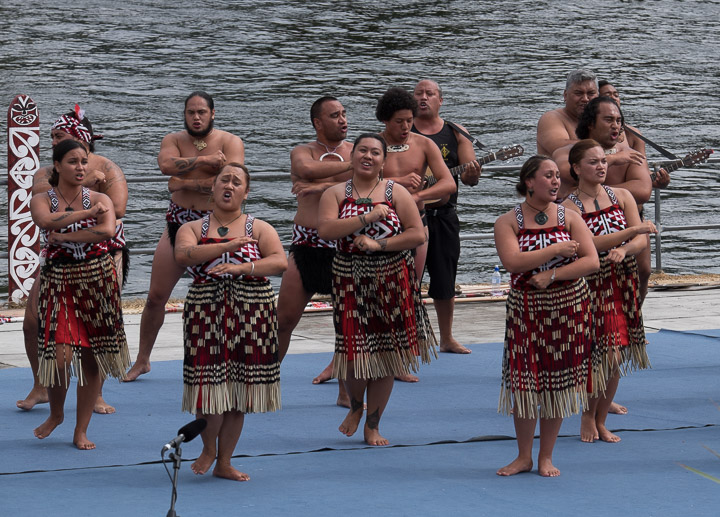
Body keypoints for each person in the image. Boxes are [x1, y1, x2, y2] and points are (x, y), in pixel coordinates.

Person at [317, 133, 437, 446]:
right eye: (362, 151)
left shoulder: (395, 191)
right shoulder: (335, 193)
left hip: (392, 278)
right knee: (354, 352)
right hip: (350, 277)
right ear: (353, 156)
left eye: (375, 152)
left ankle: (373, 424)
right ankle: (356, 407)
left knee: (386, 354)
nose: (368, 156)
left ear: (384, 160)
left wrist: (379, 243)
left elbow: (416, 236)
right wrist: (367, 217)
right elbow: (327, 229)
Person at [174, 163, 287, 481]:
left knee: (239, 392)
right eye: (224, 179)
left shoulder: (259, 228)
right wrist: (226, 247)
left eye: (237, 182)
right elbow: (183, 256)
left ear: (246, 192)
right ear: (213, 188)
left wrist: (242, 268)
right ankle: (208, 448)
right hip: (205, 312)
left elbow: (280, 263)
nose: (230, 185)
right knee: (206, 386)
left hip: (252, 314)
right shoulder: (193, 227)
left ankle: (224, 461)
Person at [125, 91, 245, 381]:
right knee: (155, 297)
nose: (196, 117)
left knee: (224, 298)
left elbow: (230, 183)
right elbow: (166, 169)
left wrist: (185, 180)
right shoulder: (173, 140)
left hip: (216, 227)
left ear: (212, 114)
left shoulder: (230, 142)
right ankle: (142, 359)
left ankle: (229, 359)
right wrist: (204, 164)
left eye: (202, 112)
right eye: (191, 112)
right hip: (177, 224)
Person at [17, 106, 127, 414]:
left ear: (82, 139)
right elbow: (46, 210)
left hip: (102, 253)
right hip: (58, 256)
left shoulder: (110, 167)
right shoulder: (46, 172)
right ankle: (41, 385)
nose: (53, 141)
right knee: (31, 323)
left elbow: (116, 210)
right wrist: (88, 184)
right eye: (52, 137)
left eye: (59, 136)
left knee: (99, 329)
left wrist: (83, 189)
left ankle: (98, 394)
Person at [494, 155, 599, 477]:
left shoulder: (570, 217)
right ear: (529, 181)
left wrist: (552, 275)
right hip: (527, 311)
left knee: (557, 384)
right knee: (525, 384)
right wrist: (555, 251)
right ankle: (523, 455)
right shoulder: (507, 222)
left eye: (558, 176)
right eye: (548, 176)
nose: (556, 181)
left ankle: (546, 456)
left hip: (568, 309)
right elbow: (513, 262)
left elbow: (591, 261)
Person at [563, 140, 654, 443]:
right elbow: (584, 246)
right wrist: (629, 234)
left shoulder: (622, 195)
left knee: (616, 354)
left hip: (621, 283)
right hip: (589, 287)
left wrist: (626, 247)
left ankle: (600, 418)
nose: (601, 166)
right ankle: (587, 415)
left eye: (604, 161)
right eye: (593, 162)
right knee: (600, 355)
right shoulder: (568, 207)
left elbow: (641, 240)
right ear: (576, 168)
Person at [275, 96, 353, 406]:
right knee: (284, 320)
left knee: (348, 323)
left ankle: (346, 391)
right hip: (307, 243)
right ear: (318, 123)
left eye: (344, 114)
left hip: (346, 245)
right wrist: (357, 166)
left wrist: (356, 166)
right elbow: (306, 169)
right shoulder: (302, 152)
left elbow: (373, 180)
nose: (343, 119)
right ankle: (265, 381)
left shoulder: (356, 150)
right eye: (335, 115)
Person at [375, 86, 455, 382]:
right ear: (386, 120)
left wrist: (419, 196)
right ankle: (356, 358)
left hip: (414, 226)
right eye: (399, 121)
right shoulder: (372, 145)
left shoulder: (424, 145)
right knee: (377, 295)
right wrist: (396, 183)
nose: (406, 126)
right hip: (378, 227)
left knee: (407, 293)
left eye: (409, 120)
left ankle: (399, 359)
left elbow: (448, 184)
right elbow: (355, 180)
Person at [554, 97, 653, 295]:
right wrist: (613, 159)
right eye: (609, 120)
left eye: (618, 120)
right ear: (590, 123)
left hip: (624, 218)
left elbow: (643, 190)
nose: (615, 125)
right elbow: (566, 171)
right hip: (581, 223)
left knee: (644, 271)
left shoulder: (630, 154)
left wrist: (606, 194)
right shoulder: (565, 152)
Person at [411, 79, 481, 354]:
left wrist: (473, 173)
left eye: (430, 94)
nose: (424, 98)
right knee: (408, 279)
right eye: (419, 93)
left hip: (444, 214)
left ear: (441, 100)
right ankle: (413, 337)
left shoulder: (456, 132)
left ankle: (447, 337)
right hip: (411, 216)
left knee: (445, 276)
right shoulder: (404, 129)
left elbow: (469, 177)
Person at [598, 79, 670, 189]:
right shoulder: (591, 132)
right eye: (608, 95)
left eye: (616, 95)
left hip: (633, 202)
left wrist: (658, 180)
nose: (613, 98)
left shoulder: (634, 135)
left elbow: (642, 172)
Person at [536, 69, 598, 157]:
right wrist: (605, 143)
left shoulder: (607, 119)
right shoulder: (551, 119)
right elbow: (559, 148)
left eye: (591, 93)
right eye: (578, 93)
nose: (585, 99)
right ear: (565, 95)